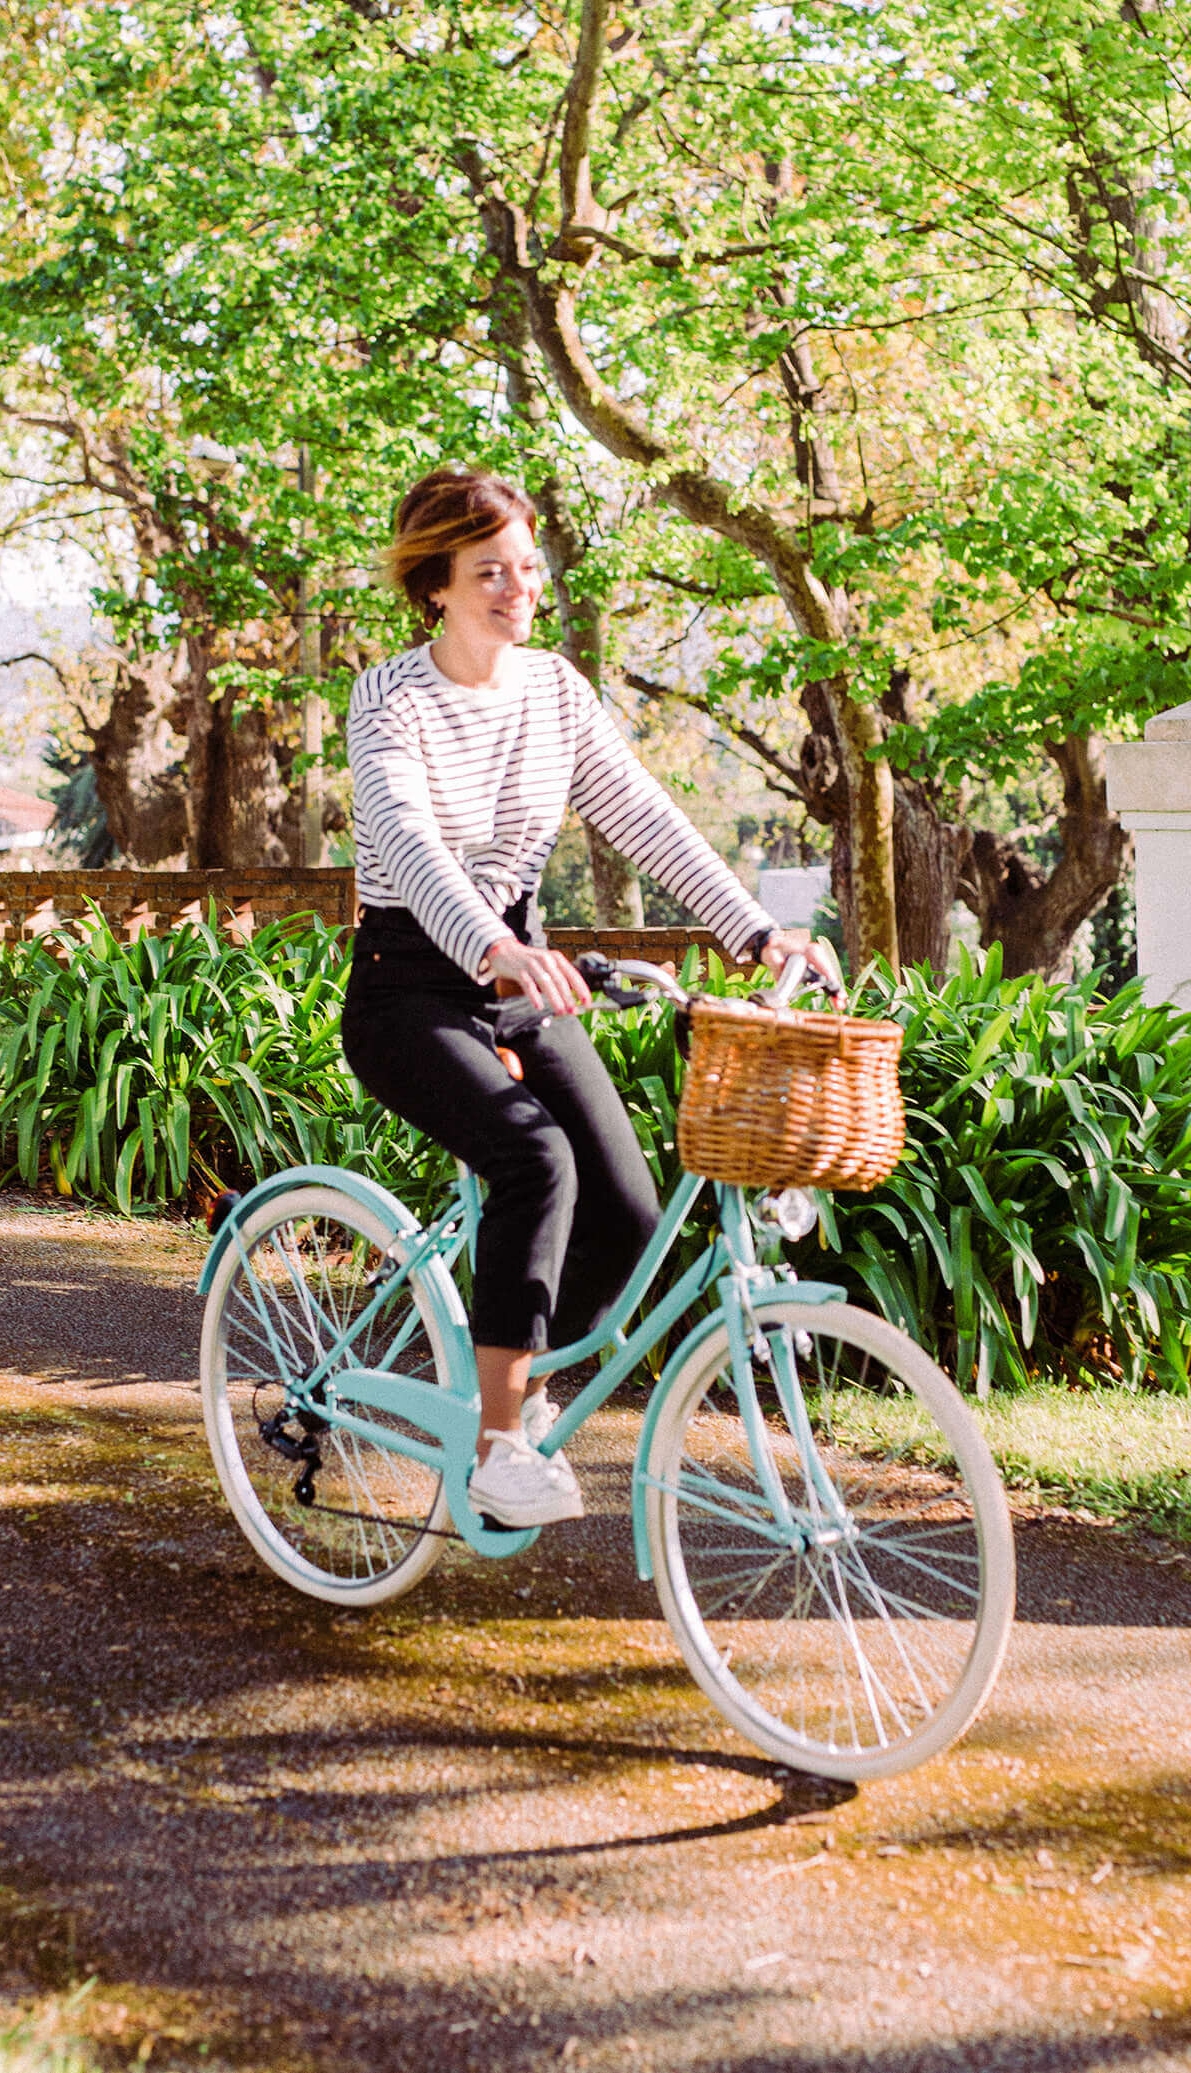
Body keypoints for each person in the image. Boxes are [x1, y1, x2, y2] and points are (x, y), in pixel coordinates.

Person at [340, 468, 842, 1530]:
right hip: (410, 987)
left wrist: (749, 928)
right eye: (490, 572)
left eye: (528, 567)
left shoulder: (556, 691)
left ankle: (512, 1382)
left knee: (625, 1210)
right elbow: (406, 838)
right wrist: (486, 943)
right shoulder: (391, 698)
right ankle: (496, 1445)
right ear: (434, 584)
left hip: (523, 975)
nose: (519, 589)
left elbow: (643, 815)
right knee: (536, 1159)